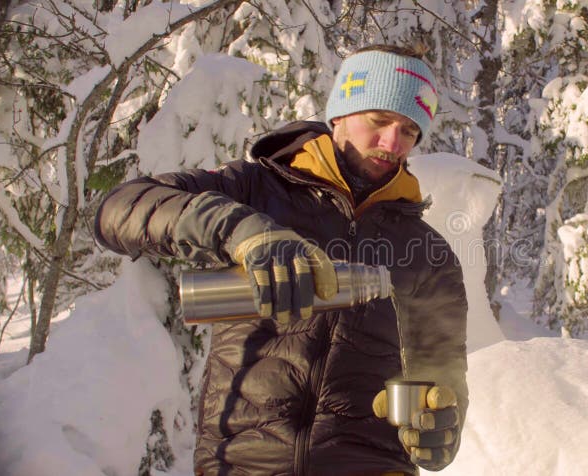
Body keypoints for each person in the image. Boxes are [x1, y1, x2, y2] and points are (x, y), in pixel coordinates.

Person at [95, 44, 468, 475]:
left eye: (409, 130)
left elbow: (444, 380)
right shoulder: (256, 189)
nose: (392, 143)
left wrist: (439, 430)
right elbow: (117, 210)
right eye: (379, 121)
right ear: (341, 114)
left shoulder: (429, 253)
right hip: (243, 464)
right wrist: (243, 232)